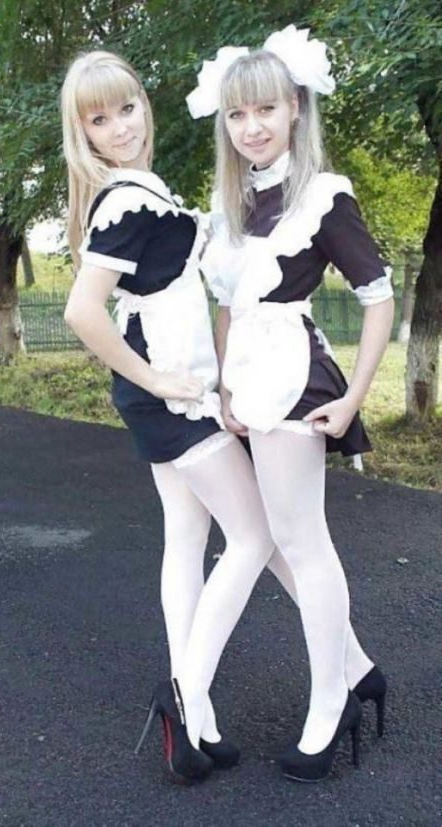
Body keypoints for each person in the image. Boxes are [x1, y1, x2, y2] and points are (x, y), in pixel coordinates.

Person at [188, 25, 394, 781]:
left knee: (301, 542)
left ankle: (331, 700)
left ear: (296, 108)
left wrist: (355, 399)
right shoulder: (232, 203)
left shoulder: (323, 196)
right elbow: (224, 306)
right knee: (272, 539)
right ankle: (359, 668)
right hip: (246, 384)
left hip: (296, 381)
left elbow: (379, 299)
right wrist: (222, 385)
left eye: (266, 109)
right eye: (238, 114)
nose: (252, 127)